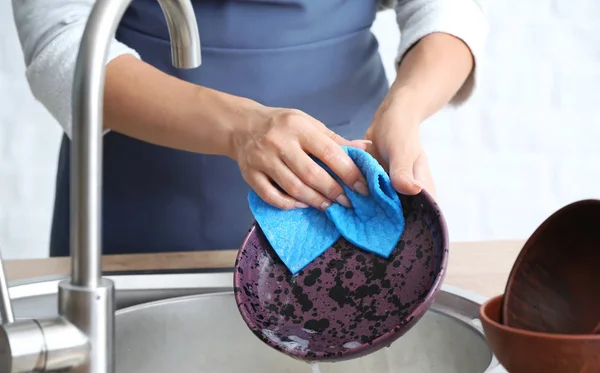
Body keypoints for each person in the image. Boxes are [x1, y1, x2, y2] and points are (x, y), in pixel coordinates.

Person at [12, 0, 487, 257]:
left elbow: (450, 9)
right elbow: (61, 42)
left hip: (344, 195)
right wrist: (240, 128)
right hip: (142, 205)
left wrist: (403, 110)